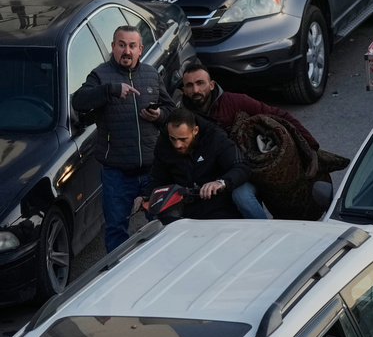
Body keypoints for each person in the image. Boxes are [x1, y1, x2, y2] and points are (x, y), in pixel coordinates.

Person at [71, 25, 174, 252]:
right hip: (116, 174)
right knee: (116, 229)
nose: (127, 51)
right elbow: (78, 101)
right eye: (121, 45)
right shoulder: (100, 75)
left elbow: (171, 111)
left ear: (140, 49)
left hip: (153, 170)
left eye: (132, 46)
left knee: (162, 224)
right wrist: (111, 90)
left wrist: (159, 115)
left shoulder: (151, 74)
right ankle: (118, 272)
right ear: (113, 47)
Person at [181, 63, 321, 219]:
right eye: (190, 85)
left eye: (200, 83)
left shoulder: (236, 102)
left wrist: (311, 147)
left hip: (248, 172)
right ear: (184, 90)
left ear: (211, 85)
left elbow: (280, 116)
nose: (196, 90)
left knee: (243, 198)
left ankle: (267, 232)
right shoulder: (182, 119)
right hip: (211, 181)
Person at [146, 108, 251, 220]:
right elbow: (157, 177)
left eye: (183, 139)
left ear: (195, 130)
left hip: (219, 208)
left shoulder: (215, 137)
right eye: (173, 138)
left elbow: (242, 166)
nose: (177, 145)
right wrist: (146, 196)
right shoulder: (163, 143)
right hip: (182, 212)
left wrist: (221, 183)